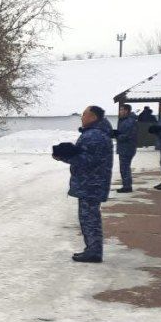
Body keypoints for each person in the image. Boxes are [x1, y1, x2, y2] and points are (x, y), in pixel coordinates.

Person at [52, 105, 114, 263]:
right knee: (90, 217)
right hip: (93, 182)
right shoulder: (97, 133)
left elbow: (87, 161)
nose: (82, 117)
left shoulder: (93, 135)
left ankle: (93, 251)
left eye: (84, 114)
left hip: (90, 183)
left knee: (89, 218)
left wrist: (65, 155)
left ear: (93, 117)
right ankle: (93, 249)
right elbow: (87, 157)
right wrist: (69, 154)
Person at [113, 104, 138, 193]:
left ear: (126, 111)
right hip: (125, 147)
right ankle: (126, 185)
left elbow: (128, 135)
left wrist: (116, 135)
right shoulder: (125, 121)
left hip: (127, 147)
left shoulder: (129, 121)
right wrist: (117, 134)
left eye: (121, 110)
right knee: (124, 167)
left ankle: (127, 186)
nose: (120, 111)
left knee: (124, 168)